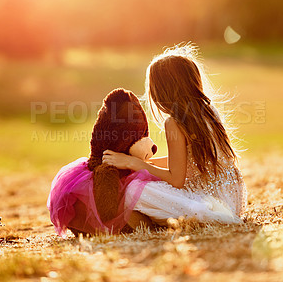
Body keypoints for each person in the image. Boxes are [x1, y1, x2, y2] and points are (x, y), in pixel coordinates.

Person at [103, 44, 247, 225]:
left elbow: (176, 179)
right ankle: (176, 217)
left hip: (208, 198)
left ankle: (201, 215)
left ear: (161, 90)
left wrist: (134, 163)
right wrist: (145, 163)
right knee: (140, 188)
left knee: (133, 191)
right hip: (232, 197)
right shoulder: (208, 110)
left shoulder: (174, 122)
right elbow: (186, 160)